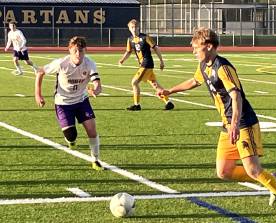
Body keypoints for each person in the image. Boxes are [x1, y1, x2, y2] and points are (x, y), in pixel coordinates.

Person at [158, 27, 276, 219]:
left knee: (253, 168)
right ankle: (272, 179)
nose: (193, 51)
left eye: (196, 47)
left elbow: (236, 96)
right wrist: (169, 91)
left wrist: (234, 124)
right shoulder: (204, 67)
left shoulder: (223, 67)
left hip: (242, 122)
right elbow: (193, 81)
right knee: (224, 171)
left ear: (208, 46)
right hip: (228, 123)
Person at [35, 36, 103, 171]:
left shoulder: (90, 63)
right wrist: (38, 95)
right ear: (70, 51)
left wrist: (96, 89)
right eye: (75, 51)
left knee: (92, 130)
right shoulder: (61, 63)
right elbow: (40, 71)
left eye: (81, 51)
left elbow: (97, 83)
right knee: (71, 136)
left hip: (81, 100)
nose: (78, 54)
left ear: (85, 51)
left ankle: (95, 159)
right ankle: (71, 141)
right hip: (63, 103)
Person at [119, 19, 174, 111]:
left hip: (147, 63)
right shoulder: (130, 39)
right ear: (129, 28)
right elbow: (128, 51)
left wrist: (161, 61)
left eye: (136, 27)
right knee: (154, 84)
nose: (134, 29)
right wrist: (122, 60)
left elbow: (156, 48)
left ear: (139, 28)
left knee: (134, 82)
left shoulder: (145, 37)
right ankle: (168, 103)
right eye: (132, 27)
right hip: (143, 64)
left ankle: (137, 105)